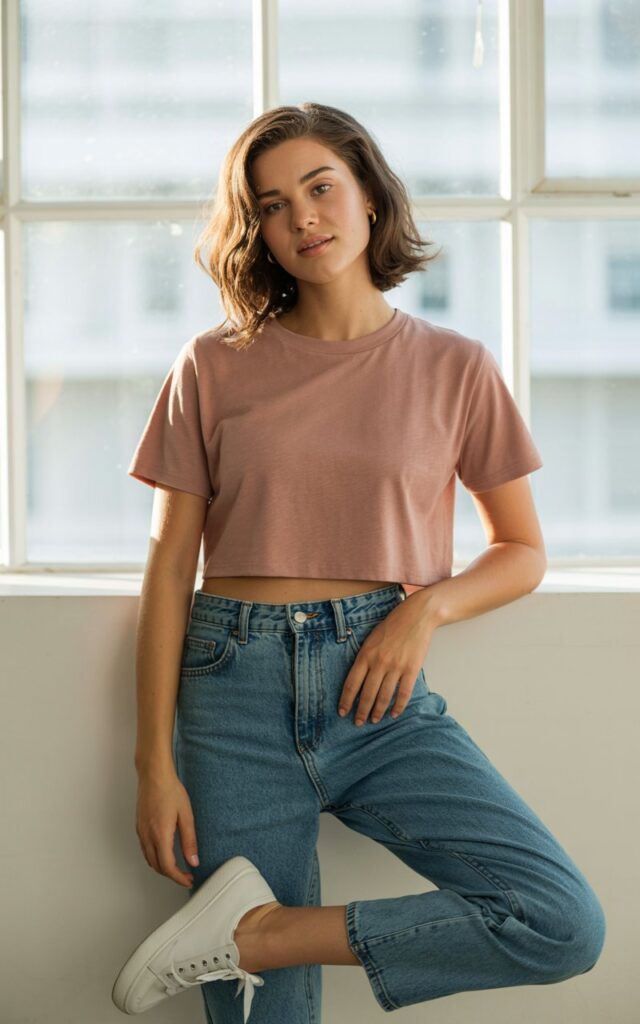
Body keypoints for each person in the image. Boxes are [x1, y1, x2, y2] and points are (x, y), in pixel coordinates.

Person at [112, 103, 606, 1023]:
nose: (301, 217)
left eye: (320, 187)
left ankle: (254, 933)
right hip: (233, 695)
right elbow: (167, 568)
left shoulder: (455, 366)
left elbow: (523, 551)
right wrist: (152, 762)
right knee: (268, 1018)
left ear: (371, 197)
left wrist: (424, 611)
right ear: (254, 229)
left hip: (379, 690)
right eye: (270, 204)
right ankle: (248, 946)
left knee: (559, 920)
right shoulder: (212, 366)